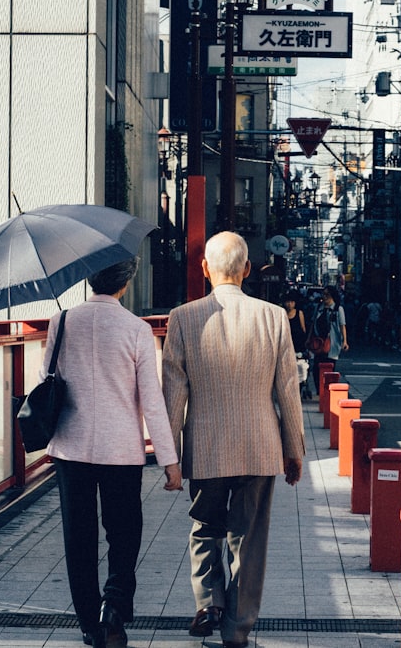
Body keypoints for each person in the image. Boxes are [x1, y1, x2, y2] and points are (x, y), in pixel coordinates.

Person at [162, 232, 305, 648]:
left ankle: (208, 602)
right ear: (246, 270)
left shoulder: (183, 317)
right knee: (249, 539)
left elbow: (174, 393)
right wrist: (294, 451)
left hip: (205, 447)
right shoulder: (274, 316)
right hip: (260, 447)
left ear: (205, 268)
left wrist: (170, 457)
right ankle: (237, 628)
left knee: (204, 527)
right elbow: (288, 392)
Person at [42, 258, 183, 648]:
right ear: (125, 283)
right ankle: (114, 607)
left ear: (90, 279)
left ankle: (89, 623)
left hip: (71, 447)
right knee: (124, 532)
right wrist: (170, 461)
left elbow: (44, 382)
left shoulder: (63, 321)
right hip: (121, 450)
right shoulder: (136, 329)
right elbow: (151, 401)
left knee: (79, 536)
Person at [309, 285, 348, 394]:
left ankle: (327, 391)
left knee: (329, 368)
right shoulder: (318, 308)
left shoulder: (338, 309)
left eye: (327, 295)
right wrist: (309, 338)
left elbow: (342, 325)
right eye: (324, 294)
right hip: (319, 342)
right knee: (316, 369)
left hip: (332, 343)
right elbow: (313, 323)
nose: (324, 297)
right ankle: (319, 391)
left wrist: (345, 341)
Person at [283, 290, 310, 398]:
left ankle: (298, 389)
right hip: (286, 346)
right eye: (288, 302)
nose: (289, 304)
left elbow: (303, 329)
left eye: (292, 302)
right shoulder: (282, 313)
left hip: (298, 346)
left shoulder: (299, 313)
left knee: (299, 368)